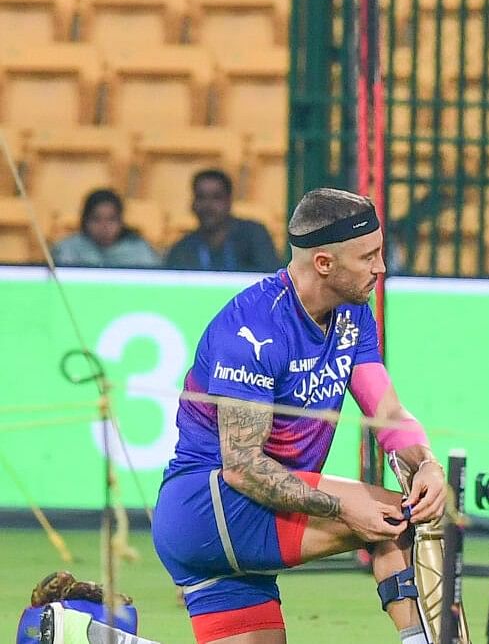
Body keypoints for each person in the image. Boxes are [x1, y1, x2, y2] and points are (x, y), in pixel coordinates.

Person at [152, 188, 446, 644]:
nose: (381, 268)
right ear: (324, 263)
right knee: (398, 518)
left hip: (237, 523)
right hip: (213, 506)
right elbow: (243, 467)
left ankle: (78, 634)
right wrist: (345, 507)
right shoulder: (252, 330)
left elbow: (386, 411)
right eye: (368, 256)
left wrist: (426, 463)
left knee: (403, 507)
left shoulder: (353, 314)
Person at [165, 169, 281, 273]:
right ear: (193, 203)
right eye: (201, 197)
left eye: (216, 197)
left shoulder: (254, 236)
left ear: (229, 201)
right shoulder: (182, 249)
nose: (207, 205)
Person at [51, 188, 160, 268]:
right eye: (96, 219)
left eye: (111, 219)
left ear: (121, 221)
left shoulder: (140, 251)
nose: (104, 227)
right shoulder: (68, 248)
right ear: (85, 220)